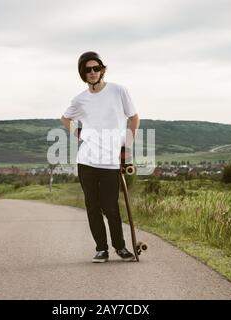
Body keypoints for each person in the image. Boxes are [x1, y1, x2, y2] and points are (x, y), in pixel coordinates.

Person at [60, 51, 140, 263]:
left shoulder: (118, 91)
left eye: (96, 68)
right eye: (88, 70)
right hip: (86, 161)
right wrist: (79, 134)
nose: (93, 72)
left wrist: (127, 150)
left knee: (111, 207)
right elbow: (65, 118)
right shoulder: (80, 99)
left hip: (110, 161)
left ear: (102, 69)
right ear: (83, 74)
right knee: (92, 207)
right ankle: (101, 249)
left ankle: (120, 247)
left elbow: (134, 118)